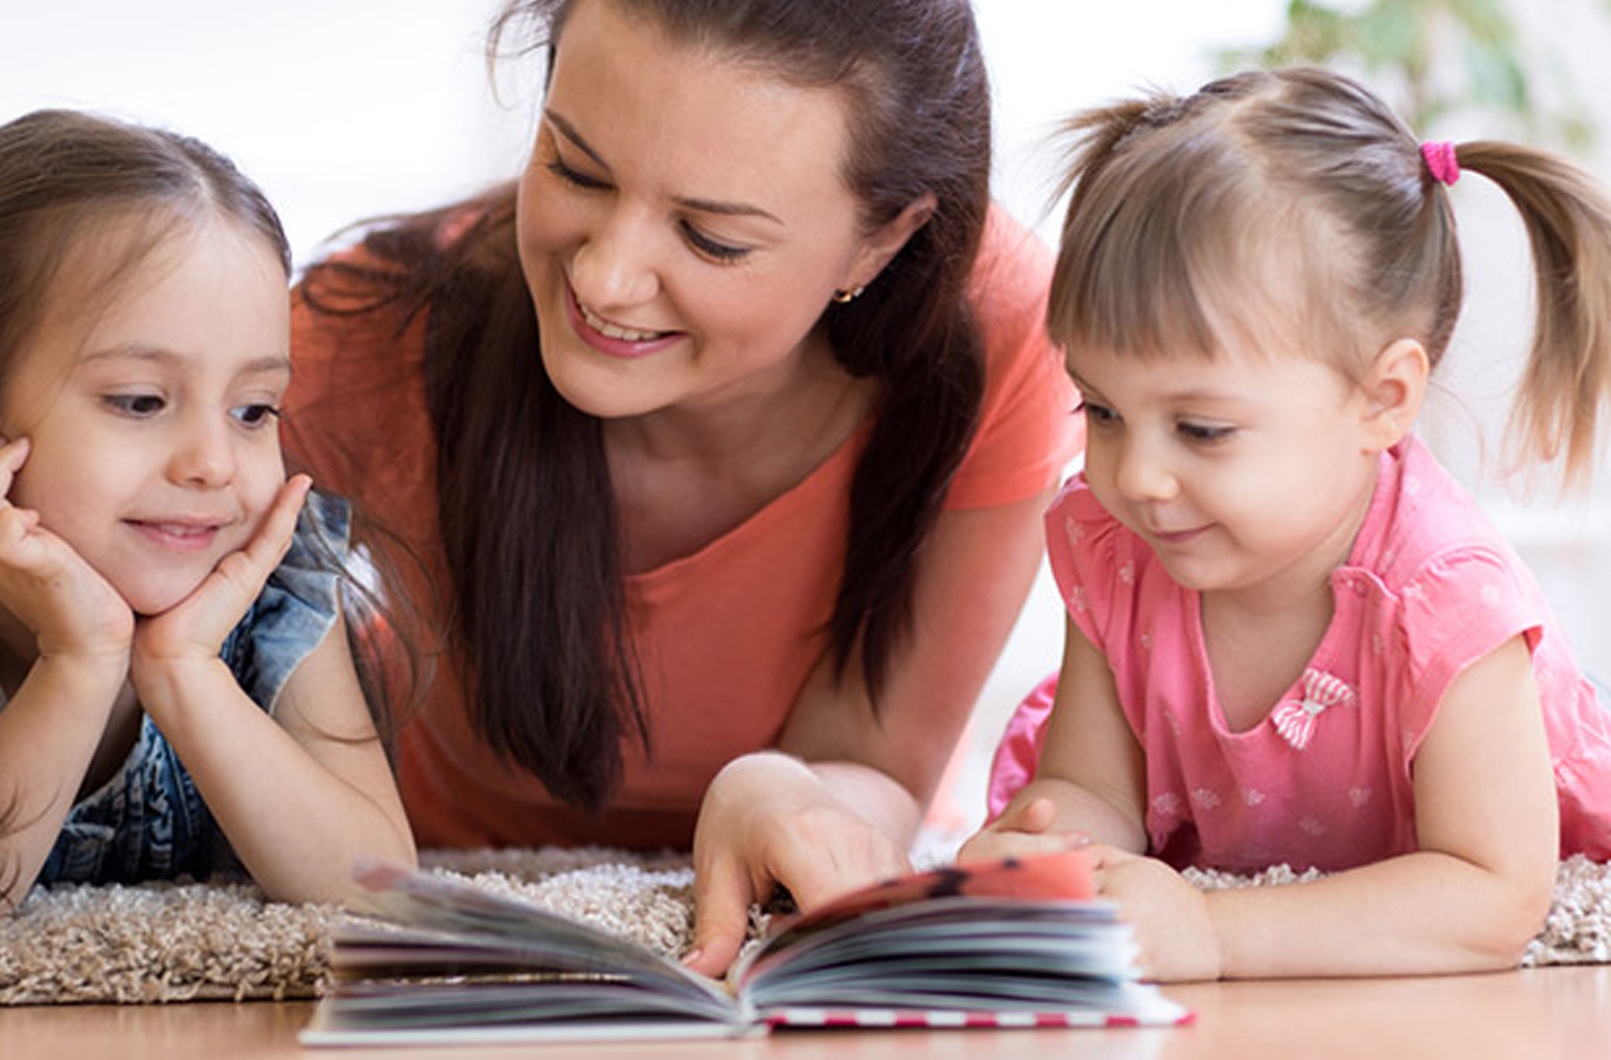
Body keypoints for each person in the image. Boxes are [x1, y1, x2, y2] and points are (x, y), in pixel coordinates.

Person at [284, 0, 1078, 975]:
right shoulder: (368, 339)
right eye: (573, 168)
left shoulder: (996, 334)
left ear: (880, 242)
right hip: (451, 881)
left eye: (711, 238)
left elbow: (871, 765)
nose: (607, 278)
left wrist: (783, 793)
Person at [960, 66, 1611, 981]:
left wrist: (1216, 933)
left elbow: (1497, 895)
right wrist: (1053, 857)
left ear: (1382, 401)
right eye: (1100, 411)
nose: (1137, 476)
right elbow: (1095, 784)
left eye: (1202, 429)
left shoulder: (1444, 600)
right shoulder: (1119, 551)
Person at [0, 109, 416, 920]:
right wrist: (79, 661)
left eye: (255, 410)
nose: (214, 464)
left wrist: (187, 672)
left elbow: (386, 893)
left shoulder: (280, 579)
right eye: (140, 400)